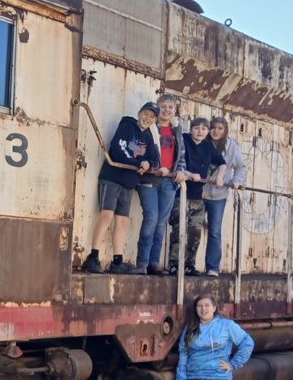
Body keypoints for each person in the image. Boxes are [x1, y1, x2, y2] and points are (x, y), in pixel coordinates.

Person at [83, 102, 158, 274]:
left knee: (122, 222)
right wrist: (138, 163)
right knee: (106, 217)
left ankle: (117, 262)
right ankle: (92, 257)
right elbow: (118, 148)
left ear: (155, 121)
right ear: (139, 113)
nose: (148, 118)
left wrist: (148, 164)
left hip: (129, 183)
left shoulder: (149, 138)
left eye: (152, 117)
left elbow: (154, 159)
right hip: (112, 178)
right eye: (146, 114)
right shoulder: (126, 126)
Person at [168, 117, 226, 275]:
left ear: (207, 131)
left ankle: (189, 265)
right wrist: (189, 174)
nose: (200, 131)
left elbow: (222, 162)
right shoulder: (184, 140)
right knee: (179, 229)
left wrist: (219, 178)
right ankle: (174, 264)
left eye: (203, 128)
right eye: (196, 128)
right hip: (181, 192)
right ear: (191, 129)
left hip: (197, 196)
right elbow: (177, 161)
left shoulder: (208, 146)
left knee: (195, 232)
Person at [137, 95, 187, 275]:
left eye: (170, 107)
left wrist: (180, 170)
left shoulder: (176, 129)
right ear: (157, 108)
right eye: (163, 106)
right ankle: (141, 262)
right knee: (151, 218)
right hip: (150, 179)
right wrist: (156, 167)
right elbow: (140, 148)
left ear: (174, 110)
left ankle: (154, 262)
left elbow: (181, 154)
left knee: (160, 223)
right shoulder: (150, 126)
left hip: (169, 181)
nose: (166, 110)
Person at [203, 118, 248, 276]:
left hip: (219, 196)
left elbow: (241, 167)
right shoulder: (202, 142)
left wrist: (236, 182)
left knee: (214, 231)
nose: (215, 131)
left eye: (220, 128)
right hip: (199, 194)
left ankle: (212, 268)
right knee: (191, 229)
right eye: (213, 128)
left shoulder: (231, 147)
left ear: (225, 131)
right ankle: (188, 266)